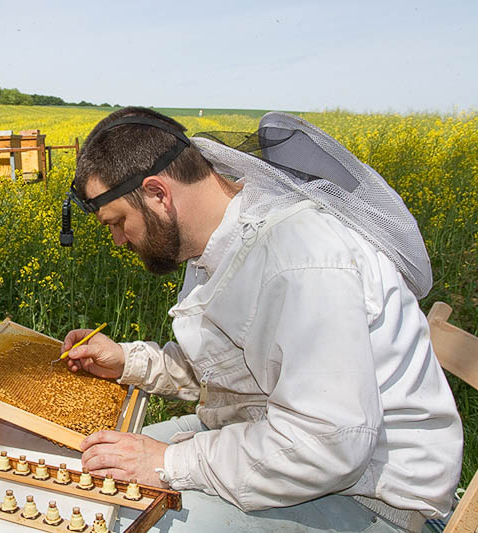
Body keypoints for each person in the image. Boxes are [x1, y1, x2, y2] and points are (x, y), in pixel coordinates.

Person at [61, 107, 463, 532]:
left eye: (118, 222)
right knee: (89, 469)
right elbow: (230, 370)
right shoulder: (214, 247)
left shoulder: (300, 257)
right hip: (273, 441)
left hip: (371, 499)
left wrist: (169, 462)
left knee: (121, 521)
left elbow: (328, 444)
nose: (118, 240)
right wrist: (127, 361)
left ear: (159, 193)